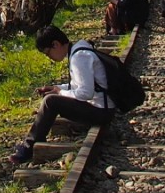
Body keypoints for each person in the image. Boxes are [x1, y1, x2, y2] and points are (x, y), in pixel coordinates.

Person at [9, 25, 113, 163]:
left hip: (102, 112)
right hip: (102, 107)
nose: (50, 57)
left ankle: (29, 147)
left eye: (48, 53)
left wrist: (60, 92)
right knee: (51, 98)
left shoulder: (79, 58)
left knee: (50, 102)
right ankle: (33, 142)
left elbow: (85, 93)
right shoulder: (79, 50)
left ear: (56, 44)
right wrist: (56, 87)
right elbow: (79, 85)